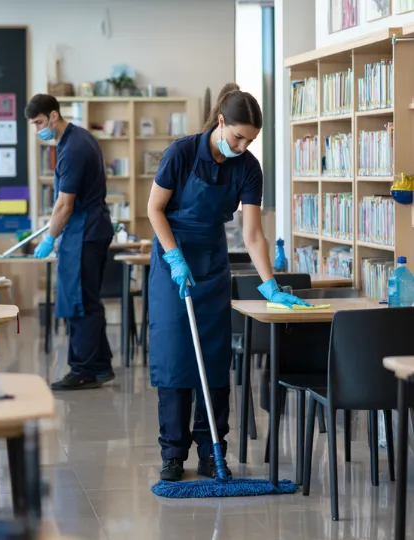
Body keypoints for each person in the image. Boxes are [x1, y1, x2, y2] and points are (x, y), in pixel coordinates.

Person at [147, 82, 310, 481]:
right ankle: (172, 453)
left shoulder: (249, 167)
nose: (242, 146)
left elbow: (253, 234)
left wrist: (270, 285)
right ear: (221, 122)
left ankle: (211, 447)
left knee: (215, 357)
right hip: (174, 258)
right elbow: (154, 208)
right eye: (238, 137)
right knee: (175, 355)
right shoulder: (182, 152)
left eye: (250, 140)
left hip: (212, 260)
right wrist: (173, 257)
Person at [25, 94, 115, 390]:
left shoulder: (73, 148)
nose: (38, 129)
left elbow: (64, 204)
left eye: (39, 122)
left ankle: (83, 371)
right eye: (33, 125)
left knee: (79, 302)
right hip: (86, 230)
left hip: (84, 233)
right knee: (87, 299)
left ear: (53, 115)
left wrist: (49, 237)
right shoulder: (76, 138)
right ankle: (100, 366)